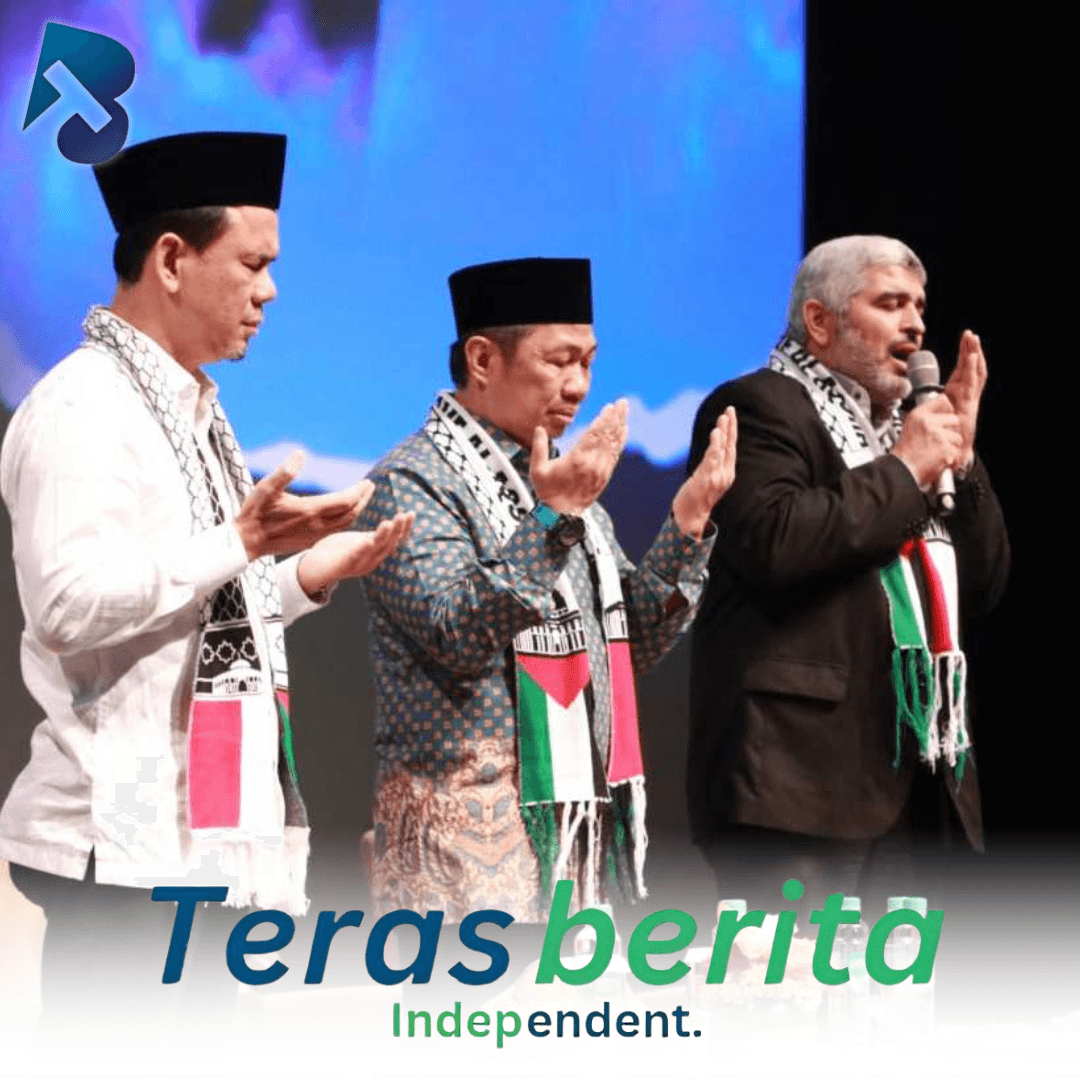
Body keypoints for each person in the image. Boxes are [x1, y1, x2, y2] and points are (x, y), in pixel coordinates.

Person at [0, 132, 412, 1025]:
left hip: (195, 850)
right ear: (171, 261)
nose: (270, 292)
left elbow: (193, 614)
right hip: (122, 852)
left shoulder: (188, 407)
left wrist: (300, 576)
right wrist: (237, 541)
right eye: (253, 264)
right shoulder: (83, 406)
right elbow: (67, 606)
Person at [357, 257, 737, 935]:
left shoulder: (562, 486)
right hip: (461, 840)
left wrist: (687, 524)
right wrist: (552, 520)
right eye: (559, 360)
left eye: (588, 362)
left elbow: (624, 652)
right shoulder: (409, 482)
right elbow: (455, 634)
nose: (579, 385)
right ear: (483, 359)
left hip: (573, 832)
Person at [686, 235, 1009, 920]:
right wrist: (906, 469)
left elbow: (983, 585)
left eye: (919, 307)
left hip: (918, 777)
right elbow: (775, 543)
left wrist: (961, 460)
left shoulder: (906, 433)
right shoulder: (755, 408)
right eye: (889, 304)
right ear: (820, 321)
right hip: (796, 787)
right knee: (788, 988)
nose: (915, 325)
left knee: (909, 991)